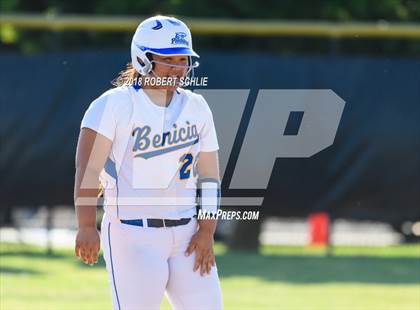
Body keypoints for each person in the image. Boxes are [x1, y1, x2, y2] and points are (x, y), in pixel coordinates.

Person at [74, 15, 223, 310]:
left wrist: (207, 231)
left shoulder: (197, 106)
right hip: (133, 233)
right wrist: (86, 225)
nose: (179, 68)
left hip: (188, 234)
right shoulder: (114, 104)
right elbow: (88, 169)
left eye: (184, 60)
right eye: (170, 59)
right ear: (143, 59)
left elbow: (209, 177)